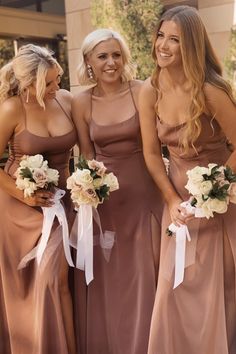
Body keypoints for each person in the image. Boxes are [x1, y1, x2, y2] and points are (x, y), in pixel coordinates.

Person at [139, 5, 236, 354]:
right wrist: (171, 199)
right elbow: (151, 154)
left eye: (174, 40)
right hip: (177, 204)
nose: (163, 45)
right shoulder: (150, 91)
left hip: (219, 202)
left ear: (190, 45)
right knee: (173, 290)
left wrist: (212, 189)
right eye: (161, 36)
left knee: (217, 291)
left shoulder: (211, 91)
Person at [72, 28, 163, 354]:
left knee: (145, 275)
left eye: (116, 54)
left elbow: (155, 150)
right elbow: (86, 156)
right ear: (89, 62)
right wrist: (87, 188)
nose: (111, 62)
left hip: (144, 198)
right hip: (105, 206)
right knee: (110, 280)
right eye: (102, 56)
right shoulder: (81, 102)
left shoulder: (143, 91)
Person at [0, 44, 77, 354]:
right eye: (51, 82)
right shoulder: (12, 108)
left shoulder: (66, 101)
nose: (57, 87)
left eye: (58, 79)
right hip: (19, 211)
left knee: (57, 281)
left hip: (62, 205)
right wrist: (23, 195)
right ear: (29, 82)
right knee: (29, 287)